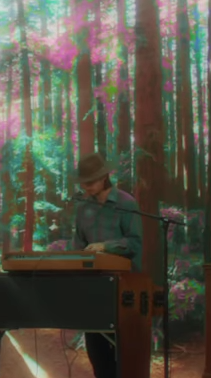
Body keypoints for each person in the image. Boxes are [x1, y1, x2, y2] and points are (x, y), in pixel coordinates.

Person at [71, 152, 143, 378]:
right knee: (97, 352)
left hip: (123, 288)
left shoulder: (126, 203)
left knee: (123, 354)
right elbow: (78, 247)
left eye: (90, 181)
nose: (86, 186)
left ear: (104, 177)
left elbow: (135, 243)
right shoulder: (82, 208)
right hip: (92, 288)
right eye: (83, 182)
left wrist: (105, 246)